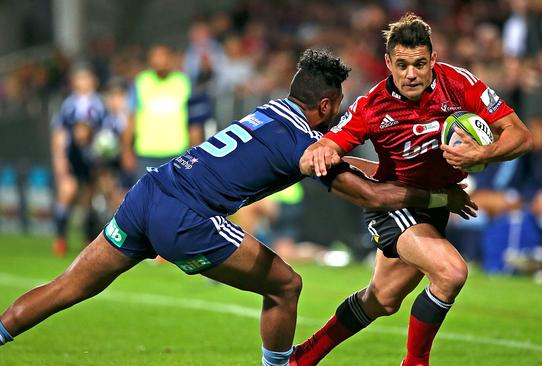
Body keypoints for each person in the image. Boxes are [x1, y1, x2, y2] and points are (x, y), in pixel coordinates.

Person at [0, 49, 476, 366]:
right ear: (328, 105)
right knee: (287, 285)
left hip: (147, 193)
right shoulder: (304, 142)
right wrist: (440, 197)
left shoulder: (271, 113)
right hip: (187, 216)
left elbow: (339, 162)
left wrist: (372, 166)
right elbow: (371, 195)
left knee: (67, 287)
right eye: (341, 107)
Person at [295, 14, 531, 366]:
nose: (411, 74)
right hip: (395, 201)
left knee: (382, 300)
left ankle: (301, 358)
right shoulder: (371, 106)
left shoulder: (459, 84)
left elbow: (520, 135)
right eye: (402, 65)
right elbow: (328, 146)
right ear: (388, 63)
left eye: (420, 64)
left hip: (433, 206)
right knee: (451, 272)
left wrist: (483, 152)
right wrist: (323, 150)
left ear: (433, 60)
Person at [121, 45, 204, 180]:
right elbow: (131, 120)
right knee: (146, 197)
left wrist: (196, 153)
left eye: (163, 57)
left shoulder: (183, 82)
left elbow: (194, 123)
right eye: (156, 57)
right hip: (146, 153)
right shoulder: (141, 82)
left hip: (177, 152)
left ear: (170, 59)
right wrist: (126, 150)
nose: (160, 62)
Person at [50, 65, 106, 256]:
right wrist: (59, 158)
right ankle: (60, 237)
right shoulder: (69, 105)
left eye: (87, 78)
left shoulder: (100, 104)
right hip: (73, 155)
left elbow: (105, 131)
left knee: (89, 197)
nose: (84, 83)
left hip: (92, 157)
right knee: (68, 190)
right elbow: (59, 133)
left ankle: (88, 237)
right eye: (80, 79)